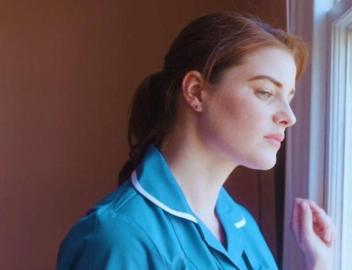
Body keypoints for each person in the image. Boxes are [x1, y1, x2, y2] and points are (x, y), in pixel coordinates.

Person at [57, 11, 335, 270]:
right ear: (196, 91)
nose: (289, 116)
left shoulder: (241, 225)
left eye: (289, 98)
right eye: (265, 92)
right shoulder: (117, 238)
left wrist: (320, 263)